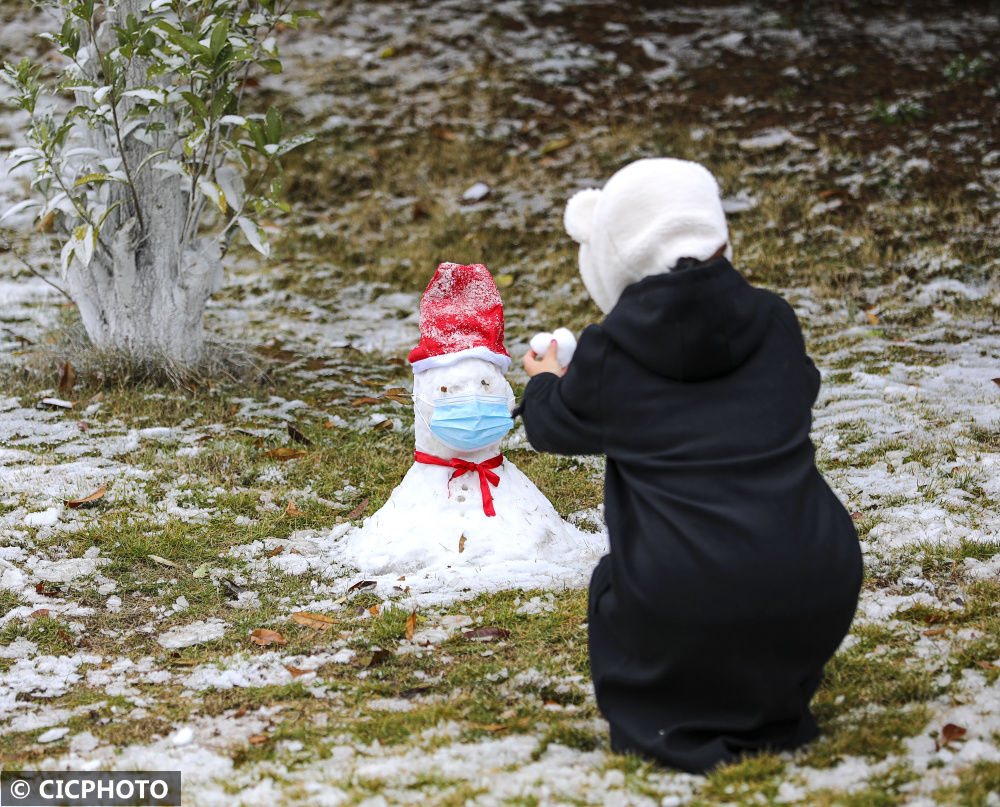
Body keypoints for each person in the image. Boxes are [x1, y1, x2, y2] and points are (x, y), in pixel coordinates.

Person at [519, 157, 863, 774]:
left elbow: (552, 426)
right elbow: (797, 389)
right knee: (752, 585)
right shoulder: (775, 321)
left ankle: (671, 719)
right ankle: (769, 707)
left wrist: (546, 379)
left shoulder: (612, 353)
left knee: (616, 584)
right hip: (814, 578)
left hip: (680, 592)